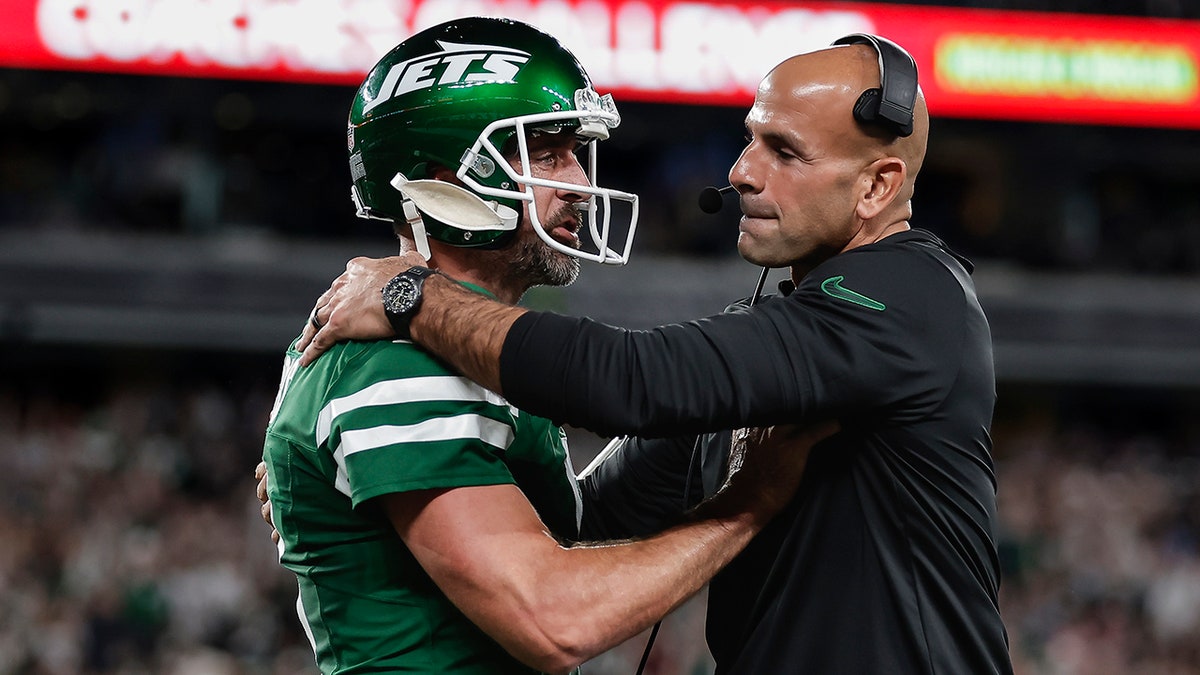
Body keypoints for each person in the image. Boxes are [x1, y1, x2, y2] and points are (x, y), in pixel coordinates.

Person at [294, 32, 1015, 674]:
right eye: (751, 139)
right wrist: (326, 482)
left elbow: (630, 383)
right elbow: (579, 522)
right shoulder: (776, 348)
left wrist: (412, 296)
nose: (741, 172)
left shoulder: (912, 300)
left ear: (878, 186)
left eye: (784, 151)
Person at [259, 17, 831, 675]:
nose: (580, 185)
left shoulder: (452, 350)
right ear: (447, 175)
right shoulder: (399, 364)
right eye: (548, 153)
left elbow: (572, 520)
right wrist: (749, 501)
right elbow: (554, 619)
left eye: (575, 153)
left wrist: (736, 399)